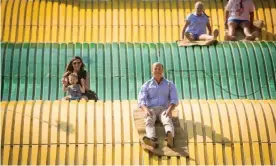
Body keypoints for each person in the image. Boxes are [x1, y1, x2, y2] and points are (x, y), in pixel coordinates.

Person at [137, 62, 179, 148]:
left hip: (164, 109)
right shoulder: (146, 85)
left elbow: (174, 99)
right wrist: (146, 110)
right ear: (152, 71)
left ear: (163, 70)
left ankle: (170, 137)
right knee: (149, 120)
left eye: (159, 68)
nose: (157, 70)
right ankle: (151, 139)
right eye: (155, 69)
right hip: (151, 109)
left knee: (167, 119)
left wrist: (169, 110)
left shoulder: (169, 84)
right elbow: (141, 100)